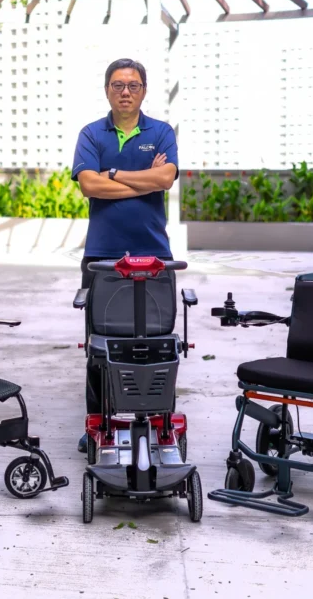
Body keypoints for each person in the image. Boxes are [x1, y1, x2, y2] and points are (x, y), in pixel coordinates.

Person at [71, 57, 178, 452]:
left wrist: (112, 175)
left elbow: (165, 178)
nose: (126, 92)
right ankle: (96, 423)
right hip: (102, 255)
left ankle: (156, 419)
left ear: (144, 91)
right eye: (118, 85)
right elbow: (88, 185)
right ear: (107, 90)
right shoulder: (91, 133)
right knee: (99, 345)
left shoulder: (162, 132)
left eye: (133, 85)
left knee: (157, 341)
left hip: (155, 256)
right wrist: (142, 183)